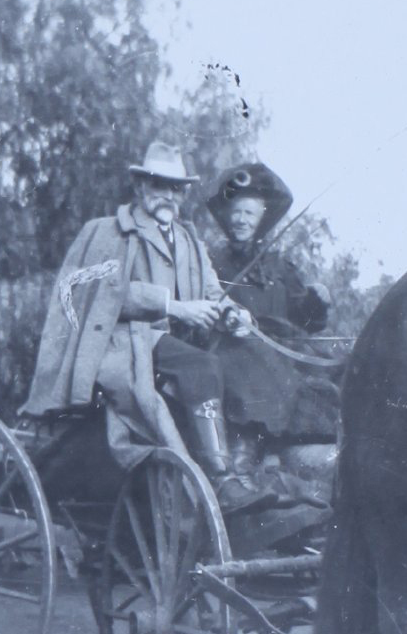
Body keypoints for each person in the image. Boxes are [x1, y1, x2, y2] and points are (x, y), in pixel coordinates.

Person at [21, 141, 276, 515]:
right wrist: (173, 306)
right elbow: (99, 294)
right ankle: (221, 478)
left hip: (170, 345)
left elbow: (211, 292)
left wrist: (235, 313)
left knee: (241, 364)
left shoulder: (189, 240)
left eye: (175, 189)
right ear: (140, 188)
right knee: (202, 366)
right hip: (123, 345)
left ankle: (246, 470)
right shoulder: (108, 232)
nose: (167, 196)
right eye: (159, 185)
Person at [206, 163, 340, 473]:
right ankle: (245, 458)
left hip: (283, 346)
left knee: (330, 368)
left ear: (262, 219)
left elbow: (306, 321)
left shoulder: (280, 267)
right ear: (226, 216)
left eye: (249, 214)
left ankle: (305, 454)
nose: (241, 220)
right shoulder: (211, 262)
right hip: (232, 345)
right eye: (236, 212)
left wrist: (315, 302)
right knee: (253, 369)